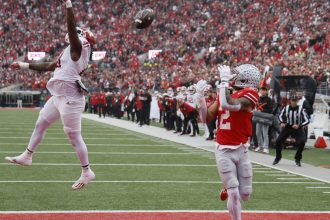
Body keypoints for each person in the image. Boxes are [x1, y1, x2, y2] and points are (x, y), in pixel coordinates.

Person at [5, 0, 96, 190]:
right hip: (59, 96)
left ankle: (87, 171)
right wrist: (23, 65)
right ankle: (27, 156)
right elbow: (48, 66)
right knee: (41, 122)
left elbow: (71, 29)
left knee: (73, 135)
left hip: (71, 98)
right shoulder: (71, 52)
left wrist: (69, 5)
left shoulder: (79, 47)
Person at [196, 64, 261, 220]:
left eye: (236, 74)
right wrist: (199, 97)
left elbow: (228, 103)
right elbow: (205, 118)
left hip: (242, 148)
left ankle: (229, 186)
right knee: (234, 193)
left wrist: (224, 82)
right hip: (223, 149)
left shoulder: (250, 94)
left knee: (245, 194)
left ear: (245, 78)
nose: (233, 75)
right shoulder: (224, 93)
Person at [272, 93, 310, 167]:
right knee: (278, 141)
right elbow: (280, 116)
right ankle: (278, 157)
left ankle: (297, 158)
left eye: (295, 101)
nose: (294, 102)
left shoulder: (301, 109)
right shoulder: (286, 108)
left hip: (297, 128)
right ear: (290, 101)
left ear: (297, 101)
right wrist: (282, 122)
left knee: (302, 142)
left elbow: (307, 120)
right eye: (292, 100)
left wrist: (299, 125)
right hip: (288, 127)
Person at [254, 86, 273, 154]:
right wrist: (257, 109)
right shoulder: (258, 98)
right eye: (262, 90)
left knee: (265, 132)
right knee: (257, 132)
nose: (263, 91)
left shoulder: (269, 99)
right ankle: (260, 146)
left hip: (265, 117)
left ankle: (266, 147)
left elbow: (270, 109)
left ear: (267, 91)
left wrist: (262, 110)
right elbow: (256, 106)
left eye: (264, 90)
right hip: (259, 117)